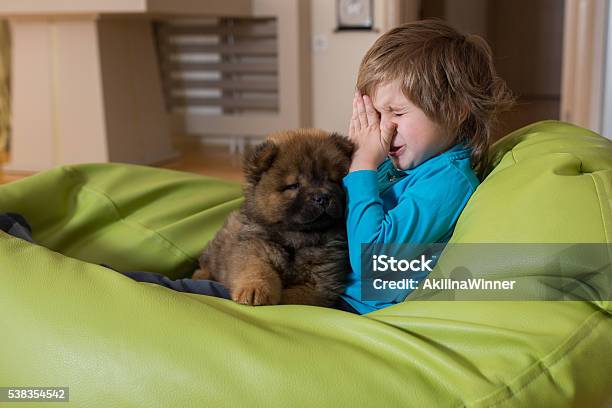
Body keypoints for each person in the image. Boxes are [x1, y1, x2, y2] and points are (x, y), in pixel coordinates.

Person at [337, 19, 514, 314]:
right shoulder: (399, 163)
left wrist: (362, 166)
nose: (384, 129)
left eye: (397, 112)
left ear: (455, 110)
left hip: (357, 308)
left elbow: (374, 266)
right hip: (325, 285)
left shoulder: (447, 181)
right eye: (377, 114)